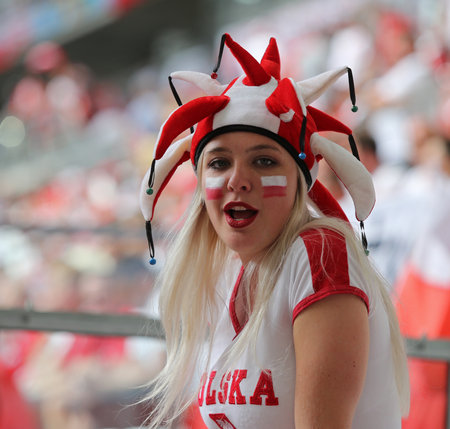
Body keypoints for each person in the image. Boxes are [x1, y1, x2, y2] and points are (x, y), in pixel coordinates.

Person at [139, 34, 410, 429]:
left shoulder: (319, 253)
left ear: (301, 181)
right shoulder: (228, 272)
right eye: (218, 163)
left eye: (264, 161)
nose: (238, 180)